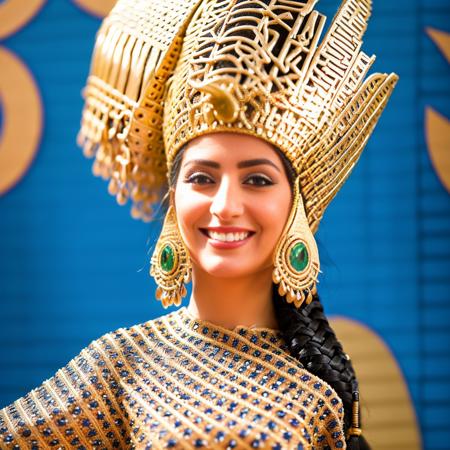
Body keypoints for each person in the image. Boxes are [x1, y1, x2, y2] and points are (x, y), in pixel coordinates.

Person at [0, 0, 398, 448]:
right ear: (174, 201)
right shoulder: (124, 363)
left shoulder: (318, 397)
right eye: (203, 178)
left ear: (297, 207)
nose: (225, 205)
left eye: (257, 179)